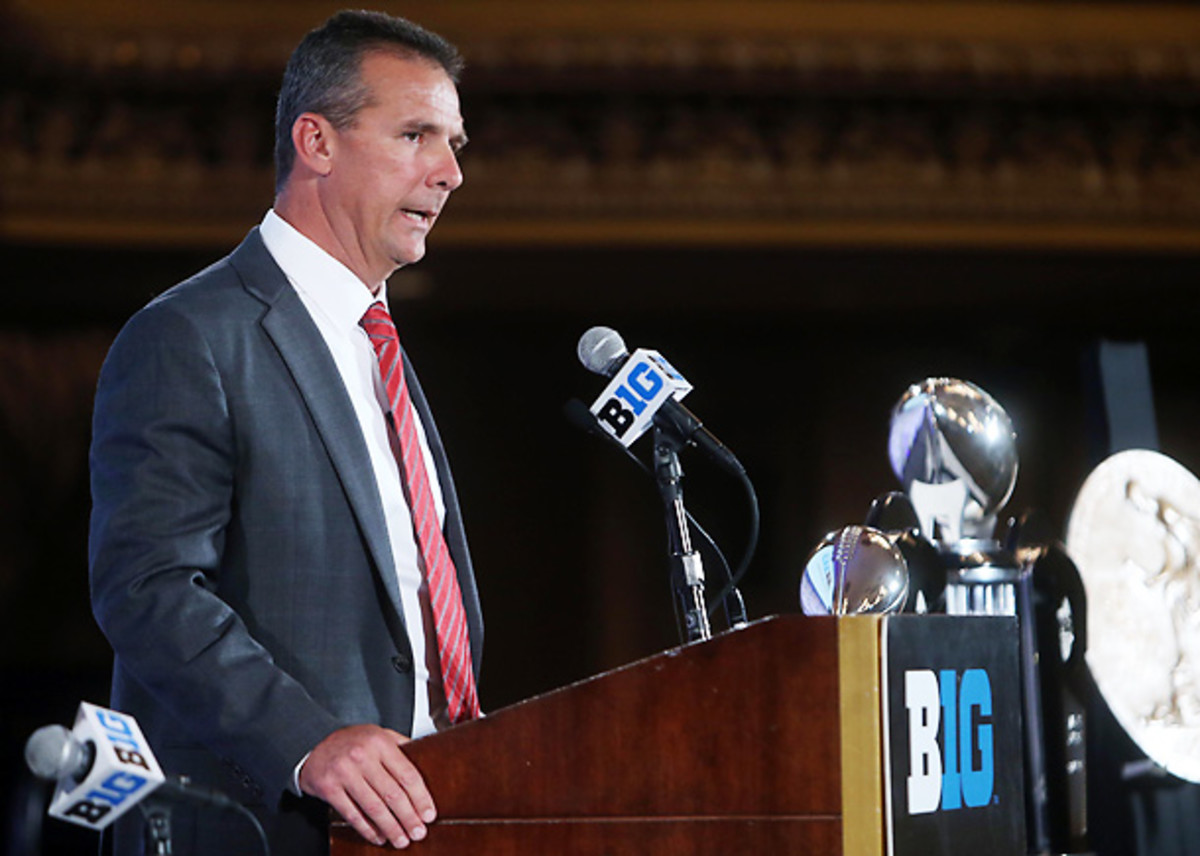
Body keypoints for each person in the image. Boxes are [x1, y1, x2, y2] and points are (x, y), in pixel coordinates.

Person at [88, 11, 482, 854]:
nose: (449, 172)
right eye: (417, 135)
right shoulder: (192, 335)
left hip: (422, 823)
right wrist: (308, 741)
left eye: (454, 143)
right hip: (263, 829)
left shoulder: (378, 348)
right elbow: (147, 587)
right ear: (317, 141)